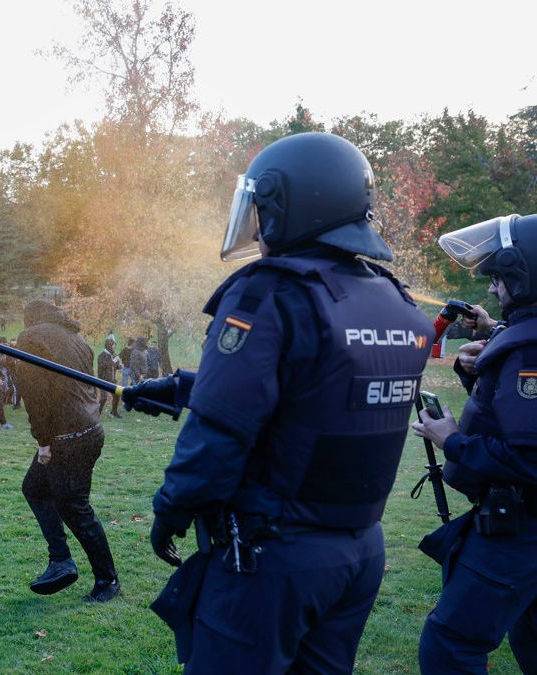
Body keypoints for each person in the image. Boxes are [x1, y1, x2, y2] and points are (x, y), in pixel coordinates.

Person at [141, 132, 431, 672]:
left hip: (272, 558)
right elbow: (314, 391)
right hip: (358, 551)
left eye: (261, 208)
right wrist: (183, 385)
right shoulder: (391, 298)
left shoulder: (269, 293)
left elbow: (221, 429)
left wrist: (171, 508)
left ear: (286, 206)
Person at [411, 213, 537, 673]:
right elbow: (517, 422)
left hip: (519, 528)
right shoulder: (520, 342)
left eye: (499, 279)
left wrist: (452, 442)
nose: (491, 290)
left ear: (524, 278)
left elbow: (529, 460)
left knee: (450, 644)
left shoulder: (528, 352)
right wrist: (482, 360)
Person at [14, 300, 120, 602]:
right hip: (88, 431)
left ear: (30, 319)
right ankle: (60, 560)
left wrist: (43, 442)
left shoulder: (31, 338)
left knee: (75, 507)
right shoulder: (77, 338)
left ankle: (107, 579)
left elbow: (36, 394)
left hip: (68, 437)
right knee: (35, 487)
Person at [96, 337, 122, 418]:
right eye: (113, 346)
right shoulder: (101, 355)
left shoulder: (114, 355)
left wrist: (119, 366)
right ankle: (96, 415)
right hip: (103, 380)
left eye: (115, 347)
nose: (114, 348)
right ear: (108, 346)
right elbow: (103, 366)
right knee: (103, 398)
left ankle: (114, 412)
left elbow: (115, 366)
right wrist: (113, 361)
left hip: (112, 380)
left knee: (117, 394)